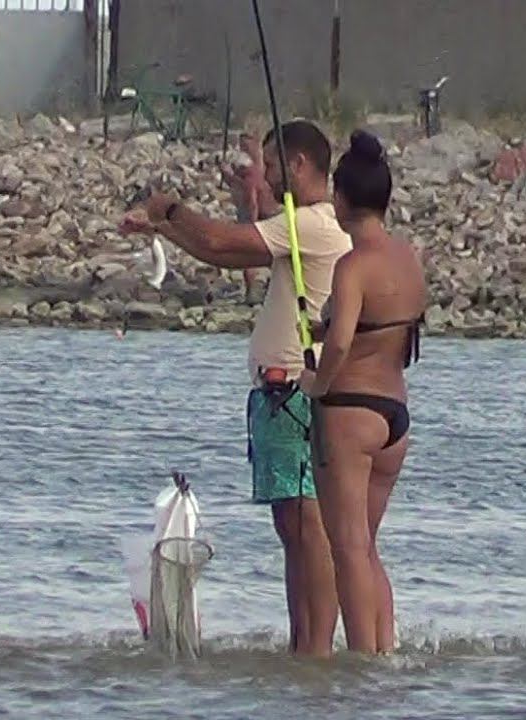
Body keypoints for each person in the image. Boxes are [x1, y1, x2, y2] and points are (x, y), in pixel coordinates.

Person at [119, 120, 351, 657]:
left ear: (299, 164)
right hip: (278, 400)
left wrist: (170, 209)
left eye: (272, 167)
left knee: (307, 529)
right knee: (292, 531)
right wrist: (164, 227)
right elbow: (224, 254)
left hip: (293, 397)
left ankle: (315, 647)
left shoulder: (312, 223)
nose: (267, 179)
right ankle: (304, 645)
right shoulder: (300, 227)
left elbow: (224, 241)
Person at [297, 130, 426, 655]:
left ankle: (361, 663)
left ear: (342, 198)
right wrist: (326, 327)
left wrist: (317, 383)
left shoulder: (352, 265)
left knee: (346, 549)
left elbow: (343, 341)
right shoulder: (407, 259)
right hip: (395, 415)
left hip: (350, 412)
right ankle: (383, 653)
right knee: (367, 548)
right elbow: (381, 326)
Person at [222, 131, 270, 306]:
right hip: (258, 212)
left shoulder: (252, 172)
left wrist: (252, 223)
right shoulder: (259, 166)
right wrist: (229, 177)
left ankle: (253, 292)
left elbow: (252, 198)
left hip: (251, 214)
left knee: (248, 254)